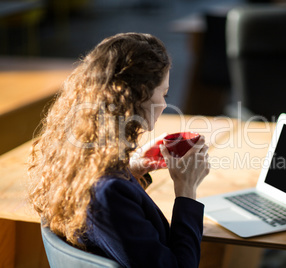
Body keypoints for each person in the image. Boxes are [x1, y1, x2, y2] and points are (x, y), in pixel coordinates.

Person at [28, 32, 210, 268]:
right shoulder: (108, 193)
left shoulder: (70, 159)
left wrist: (133, 167)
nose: (165, 104)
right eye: (163, 94)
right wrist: (186, 190)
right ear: (138, 97)